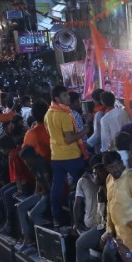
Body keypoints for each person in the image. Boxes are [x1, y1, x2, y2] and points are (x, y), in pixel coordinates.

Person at [45, 84, 86, 227]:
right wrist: (84, 131)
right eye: (65, 95)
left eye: (68, 95)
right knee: (82, 187)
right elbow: (69, 138)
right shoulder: (64, 115)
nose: (68, 97)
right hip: (72, 156)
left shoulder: (49, 113)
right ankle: (81, 219)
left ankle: (56, 218)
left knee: (56, 189)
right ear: (57, 98)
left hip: (56, 156)